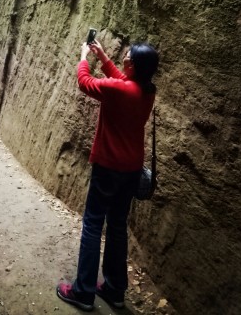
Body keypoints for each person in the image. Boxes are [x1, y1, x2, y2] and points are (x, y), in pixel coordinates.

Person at [57, 38, 159, 312]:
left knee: (92, 225)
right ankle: (114, 289)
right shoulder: (147, 91)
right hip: (131, 170)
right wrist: (103, 56)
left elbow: (84, 82)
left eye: (127, 56)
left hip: (108, 168)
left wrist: (83, 56)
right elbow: (122, 82)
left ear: (133, 65)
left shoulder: (120, 90)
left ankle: (83, 292)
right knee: (116, 226)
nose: (124, 57)